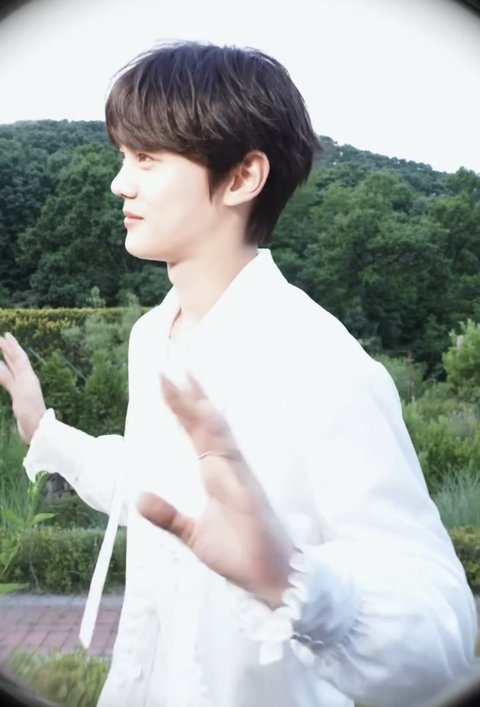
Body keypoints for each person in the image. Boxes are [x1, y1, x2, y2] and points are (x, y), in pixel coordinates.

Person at [0, 41, 477, 707]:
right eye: (123, 156)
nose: (120, 183)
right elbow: (153, 487)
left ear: (242, 176)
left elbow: (443, 638)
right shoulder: (152, 334)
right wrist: (43, 431)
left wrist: (295, 583)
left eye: (147, 158)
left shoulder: (320, 361)